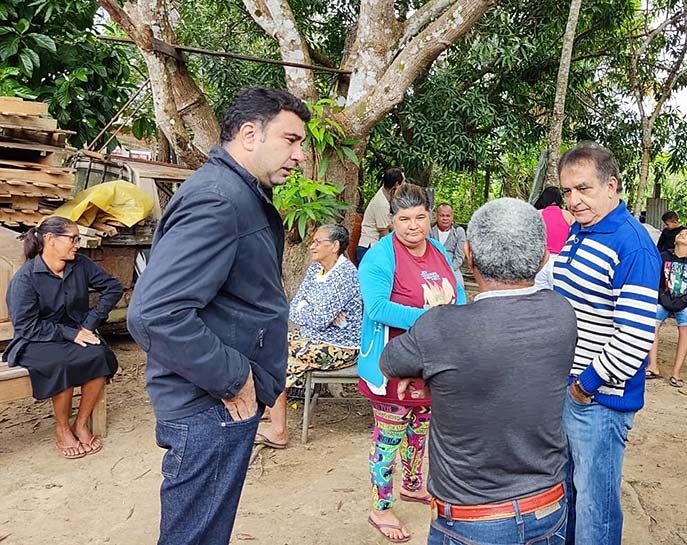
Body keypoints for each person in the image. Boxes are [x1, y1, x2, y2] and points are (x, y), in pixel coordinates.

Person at [127, 87, 310, 545]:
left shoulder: (239, 193)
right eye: (291, 140)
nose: (300, 155)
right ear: (250, 134)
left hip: (217, 402)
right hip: (209, 405)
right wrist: (235, 378)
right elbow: (154, 314)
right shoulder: (219, 198)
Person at [381, 197, 577, 545]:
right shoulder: (562, 314)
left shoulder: (441, 327)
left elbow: (391, 361)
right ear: (543, 257)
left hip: (469, 520)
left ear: (468, 254)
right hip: (549, 509)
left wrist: (431, 375)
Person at [552, 143, 661, 545]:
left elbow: (634, 336)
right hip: (570, 388)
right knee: (568, 494)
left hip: (598, 399)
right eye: (567, 191)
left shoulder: (633, 245)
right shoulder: (581, 230)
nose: (574, 200)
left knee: (596, 508)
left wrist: (586, 385)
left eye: (583, 188)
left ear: (611, 186)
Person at [357, 183, 467, 543]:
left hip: (431, 367)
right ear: (392, 219)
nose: (413, 226)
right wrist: (431, 318)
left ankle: (413, 484)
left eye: (420, 217)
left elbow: (460, 295)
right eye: (404, 219)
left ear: (430, 217)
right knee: (388, 436)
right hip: (392, 367)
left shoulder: (437, 250)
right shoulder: (379, 257)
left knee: (420, 429)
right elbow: (377, 308)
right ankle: (380, 505)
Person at [3, 216, 122, 459]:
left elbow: (113, 287)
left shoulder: (80, 265)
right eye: (73, 239)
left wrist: (89, 323)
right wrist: (70, 333)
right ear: (49, 239)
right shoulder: (26, 279)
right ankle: (62, 429)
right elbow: (27, 327)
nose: (77, 244)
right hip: (36, 340)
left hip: (76, 334)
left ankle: (81, 423)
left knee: (99, 354)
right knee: (61, 363)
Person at [254, 224, 362, 449]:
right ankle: (271, 413)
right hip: (314, 338)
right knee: (270, 341)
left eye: (317, 242)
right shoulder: (315, 269)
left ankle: (278, 430)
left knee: (279, 354)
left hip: (341, 346)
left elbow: (319, 318)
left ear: (334, 246)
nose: (312, 246)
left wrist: (315, 312)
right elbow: (294, 307)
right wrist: (314, 312)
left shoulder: (346, 274)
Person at [645, 228, 687, 388]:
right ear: (674, 241)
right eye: (680, 234)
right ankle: (652, 365)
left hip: (686, 303)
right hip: (664, 299)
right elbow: (653, 280)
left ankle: (676, 372)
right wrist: (664, 298)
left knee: (686, 327)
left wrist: (684, 301)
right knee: (652, 322)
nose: (682, 234)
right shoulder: (663, 257)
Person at [357, 167, 405, 264]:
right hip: (370, 248)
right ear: (396, 184)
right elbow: (384, 234)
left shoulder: (388, 194)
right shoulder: (381, 204)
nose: (405, 184)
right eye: (403, 181)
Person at [534, 186, 576, 290]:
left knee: (538, 295)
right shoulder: (569, 215)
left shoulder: (537, 214)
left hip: (541, 261)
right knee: (558, 296)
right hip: (560, 261)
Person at [429, 203, 467, 287]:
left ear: (452, 216)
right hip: (431, 265)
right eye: (442, 215)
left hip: (452, 266)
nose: (445, 218)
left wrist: (448, 269)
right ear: (437, 216)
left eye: (447, 216)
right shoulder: (429, 230)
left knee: (459, 285)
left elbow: (459, 257)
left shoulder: (459, 231)